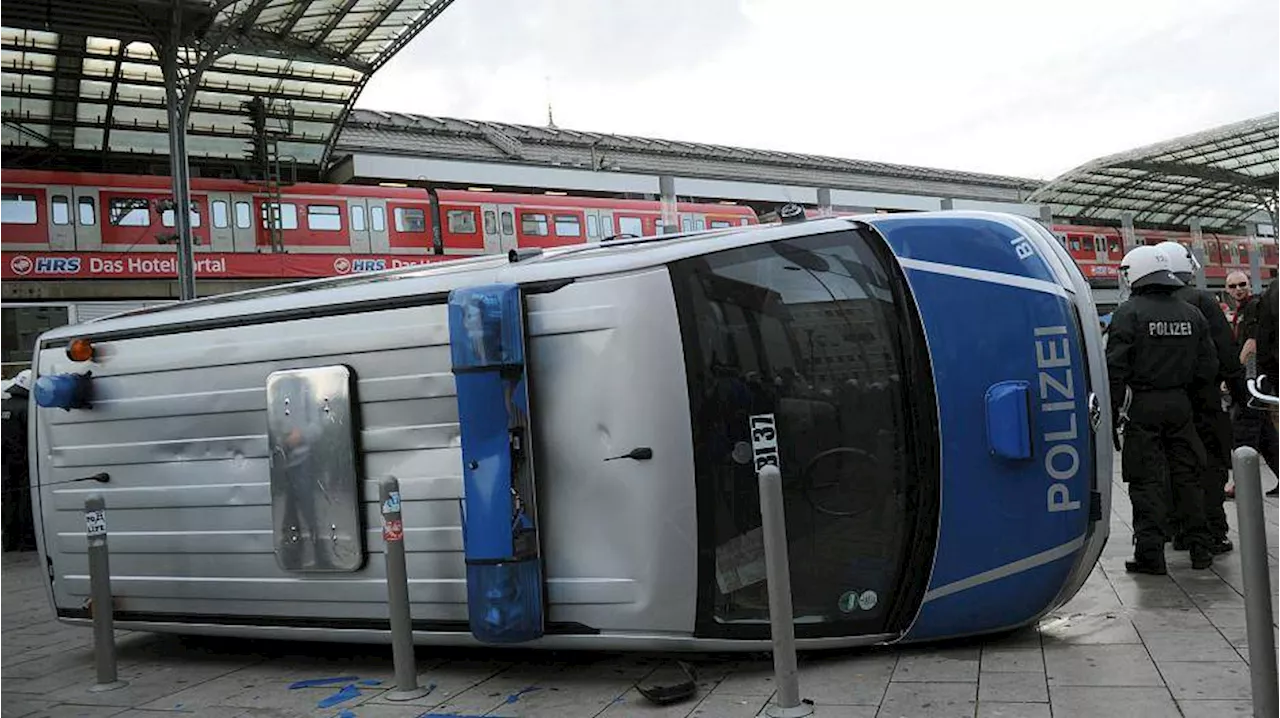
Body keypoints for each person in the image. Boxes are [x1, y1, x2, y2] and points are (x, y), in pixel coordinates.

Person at [1107, 246, 1218, 573]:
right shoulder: (1191, 313)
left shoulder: (1128, 314)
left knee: (1146, 481)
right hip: (1181, 406)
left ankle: (1151, 555)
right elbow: (1207, 367)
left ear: (1138, 273)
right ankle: (1200, 548)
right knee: (1188, 477)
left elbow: (1115, 369)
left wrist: (1112, 415)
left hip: (1143, 407)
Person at [1156, 242, 1242, 554]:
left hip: (1159, 406)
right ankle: (1211, 532)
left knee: (1171, 466)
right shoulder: (1201, 301)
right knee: (1209, 466)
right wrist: (1240, 395)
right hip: (1202, 403)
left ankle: (1176, 528)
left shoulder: (1135, 308)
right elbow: (1226, 355)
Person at [1224, 270, 1280, 496]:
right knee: (1265, 433)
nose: (1238, 289)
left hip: (1253, 379)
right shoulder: (1241, 311)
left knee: (1244, 429)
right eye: (1233, 286)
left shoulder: (1256, 306)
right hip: (1251, 378)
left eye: (1242, 284)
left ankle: (1240, 483)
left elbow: (1252, 345)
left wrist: (1235, 373)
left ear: (1249, 284)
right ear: (1227, 290)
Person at [0, 370, 35, 552]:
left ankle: (8, 539)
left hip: (4, 463)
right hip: (24, 461)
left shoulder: (3, 405)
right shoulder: (28, 408)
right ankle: (26, 540)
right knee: (26, 500)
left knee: (8, 500)